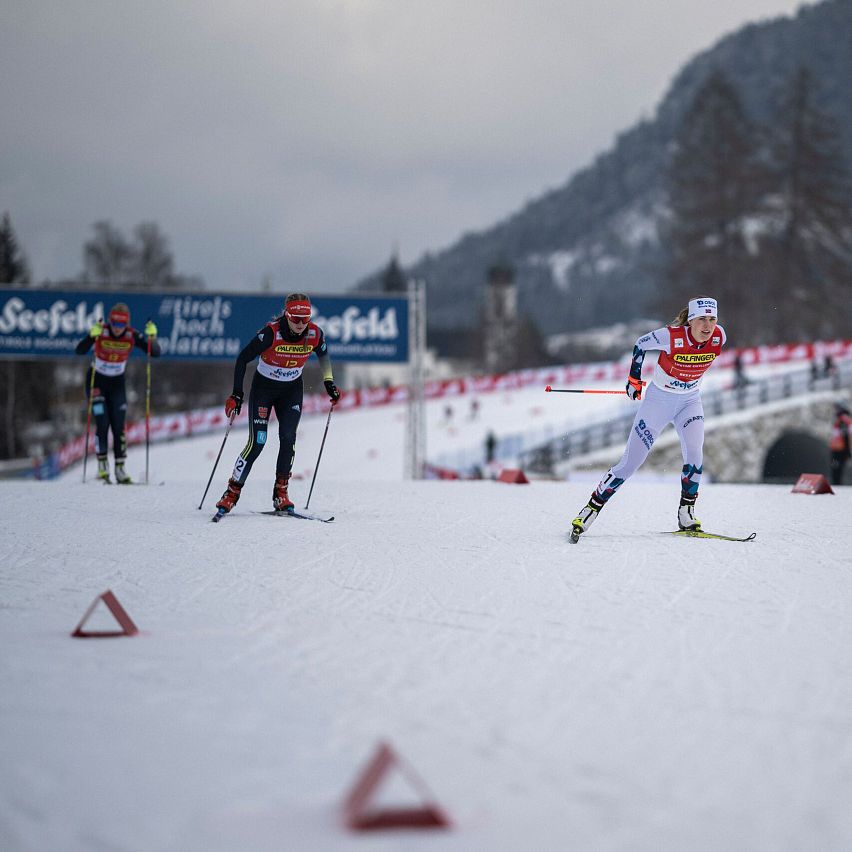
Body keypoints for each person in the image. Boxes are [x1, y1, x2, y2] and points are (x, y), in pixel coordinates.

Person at [569, 296, 726, 542]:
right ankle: (590, 509)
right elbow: (640, 344)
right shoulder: (671, 336)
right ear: (691, 321)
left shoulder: (719, 336)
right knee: (631, 462)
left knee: (695, 454)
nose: (708, 326)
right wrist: (634, 379)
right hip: (659, 402)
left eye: (712, 319)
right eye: (702, 320)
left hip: (689, 401)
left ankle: (687, 513)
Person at [215, 293, 340, 515]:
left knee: (288, 438)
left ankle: (280, 493)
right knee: (258, 442)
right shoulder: (271, 333)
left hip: (291, 391)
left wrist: (329, 383)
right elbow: (243, 358)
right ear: (286, 315)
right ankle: (231, 493)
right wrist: (236, 393)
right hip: (264, 390)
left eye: (306, 319)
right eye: (296, 319)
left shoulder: (314, 334)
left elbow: (324, 357)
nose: (301, 324)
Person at [75, 303, 160, 483]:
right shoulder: (102, 332)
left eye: (121, 325)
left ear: (126, 324)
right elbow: (79, 350)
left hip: (117, 384)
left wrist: (153, 337)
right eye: (114, 323)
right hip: (96, 381)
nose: (117, 328)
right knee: (103, 422)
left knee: (119, 426)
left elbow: (155, 353)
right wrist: (92, 336)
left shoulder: (131, 335)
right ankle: (102, 465)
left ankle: (120, 469)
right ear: (110, 321)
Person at [829, 402, 852, 486]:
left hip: (840, 450)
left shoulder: (843, 420)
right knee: (836, 468)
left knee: (836, 469)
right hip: (838, 449)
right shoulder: (841, 419)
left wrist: (848, 451)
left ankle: (837, 484)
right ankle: (836, 483)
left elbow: (845, 436)